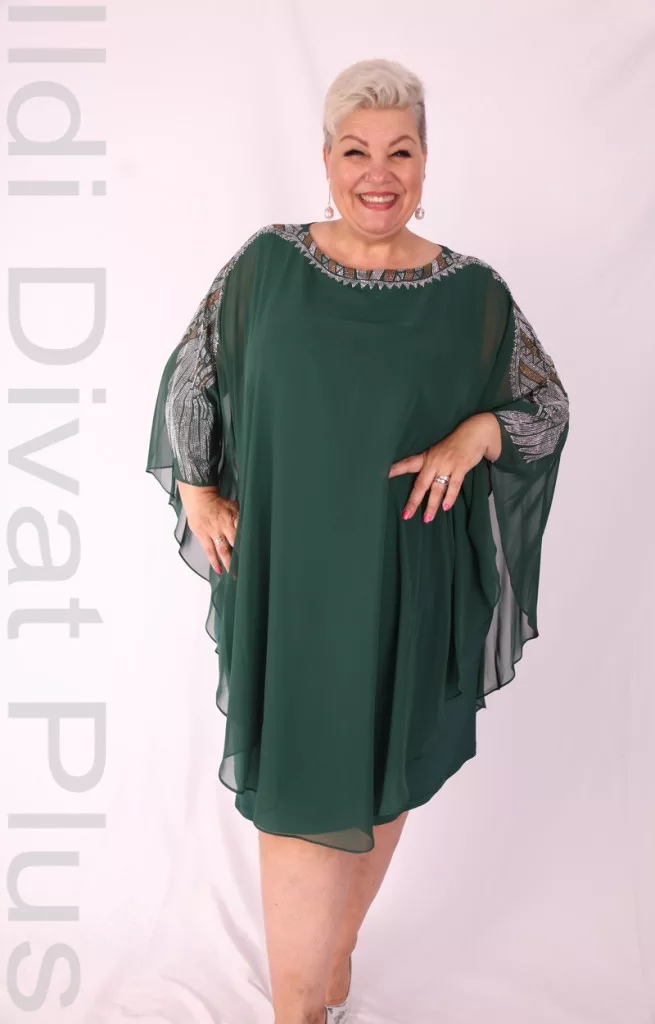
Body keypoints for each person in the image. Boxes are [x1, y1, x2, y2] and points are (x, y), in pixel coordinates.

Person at [146, 57, 569, 1024]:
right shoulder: (268, 267)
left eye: (399, 152)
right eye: (355, 151)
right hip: (292, 580)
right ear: (327, 159)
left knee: (385, 772)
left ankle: (331, 959)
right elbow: (192, 372)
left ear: (425, 162)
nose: (378, 174)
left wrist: (477, 431)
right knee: (300, 785)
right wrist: (200, 488)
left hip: (408, 579)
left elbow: (543, 406)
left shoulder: (473, 295)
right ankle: (297, 1007)